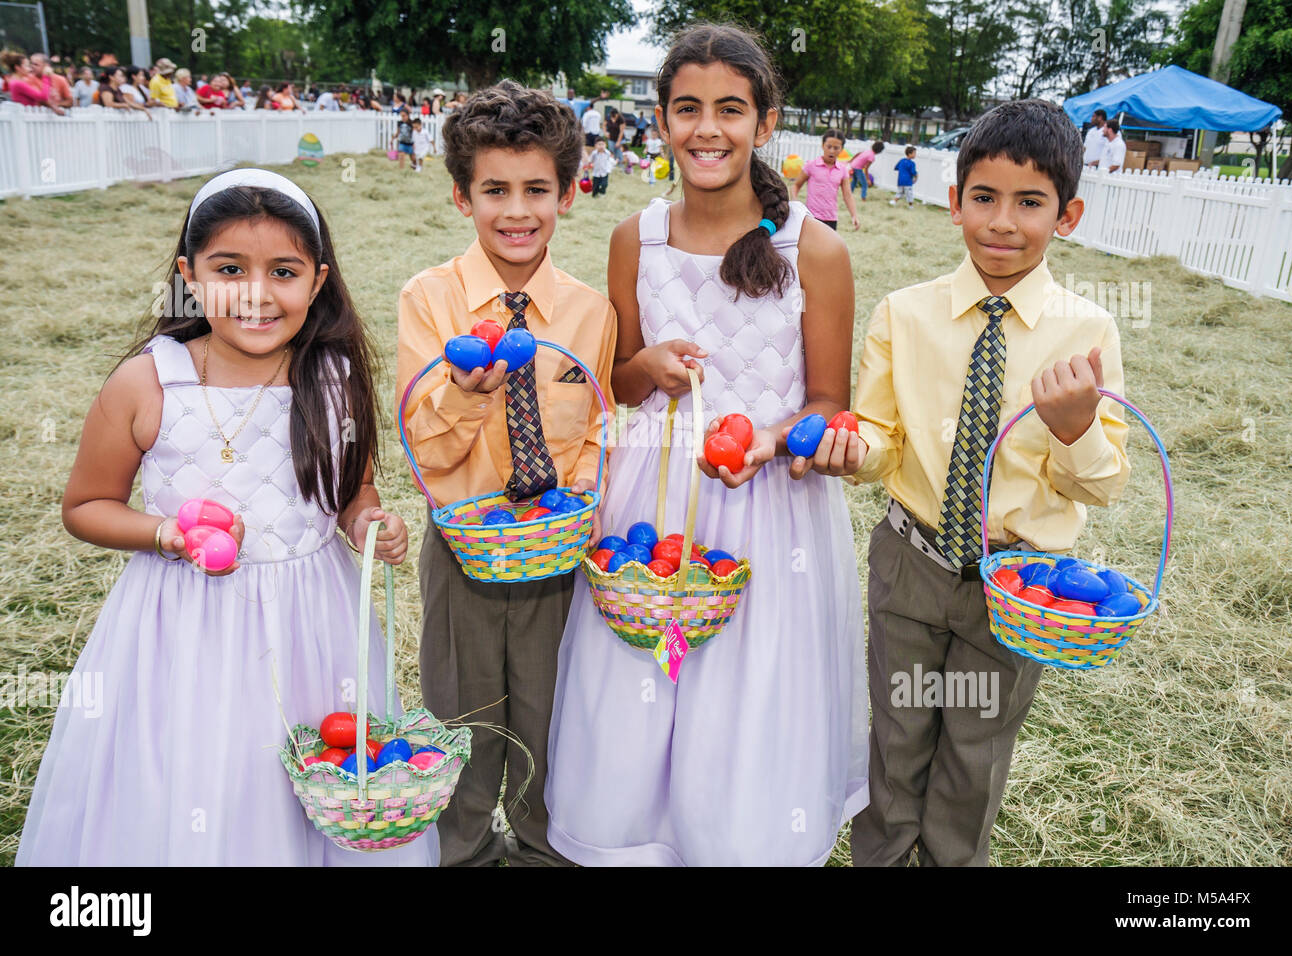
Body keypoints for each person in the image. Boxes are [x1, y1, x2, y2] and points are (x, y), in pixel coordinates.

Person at [15, 167, 435, 866]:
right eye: (229, 269)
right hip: (183, 623)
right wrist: (167, 535)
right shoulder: (149, 382)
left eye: (284, 271)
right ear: (188, 273)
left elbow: (350, 492)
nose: (256, 294)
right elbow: (85, 506)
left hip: (312, 619)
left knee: (308, 763)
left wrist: (369, 525)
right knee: (202, 765)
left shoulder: (332, 377)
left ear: (318, 279)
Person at [545, 22, 869, 867]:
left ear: (766, 124)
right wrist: (642, 367)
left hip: (768, 509)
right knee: (640, 677)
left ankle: (737, 842)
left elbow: (830, 404)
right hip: (647, 498)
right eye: (687, 108)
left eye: (731, 109)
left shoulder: (816, 251)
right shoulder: (635, 239)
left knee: (747, 688)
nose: (707, 129)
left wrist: (775, 437)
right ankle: (638, 841)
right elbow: (609, 383)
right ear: (660, 120)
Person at [827, 99, 1130, 867]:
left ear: (1068, 215)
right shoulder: (905, 314)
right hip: (911, 564)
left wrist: (1074, 428)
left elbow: (1103, 485)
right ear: (954, 201)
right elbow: (879, 438)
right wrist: (846, 451)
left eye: (1030, 203)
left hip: (1018, 588)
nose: (1002, 222)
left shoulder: (1087, 332)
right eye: (984, 197)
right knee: (899, 735)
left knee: (975, 750)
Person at [396, 80, 616, 867]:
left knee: (551, 710)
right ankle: (457, 849)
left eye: (537, 190)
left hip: (555, 552)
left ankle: (542, 845)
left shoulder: (590, 312)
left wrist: (582, 497)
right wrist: (461, 393)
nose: (517, 211)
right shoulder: (430, 301)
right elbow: (423, 448)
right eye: (495, 190)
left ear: (567, 194)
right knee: (461, 710)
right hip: (464, 547)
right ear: (462, 197)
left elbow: (597, 425)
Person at [792, 128, 859, 230]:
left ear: (841, 149)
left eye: (836, 148)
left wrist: (854, 215)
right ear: (823, 146)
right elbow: (796, 185)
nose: (832, 151)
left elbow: (848, 195)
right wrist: (795, 202)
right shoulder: (811, 165)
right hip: (811, 217)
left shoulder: (842, 170)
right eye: (829, 146)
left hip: (831, 219)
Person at [0, 52, 65, 113]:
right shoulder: (17, 83)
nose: (30, 69)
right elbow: (43, 97)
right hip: (27, 116)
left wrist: (53, 107)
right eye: (27, 66)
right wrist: (46, 77)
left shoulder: (17, 81)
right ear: (18, 68)